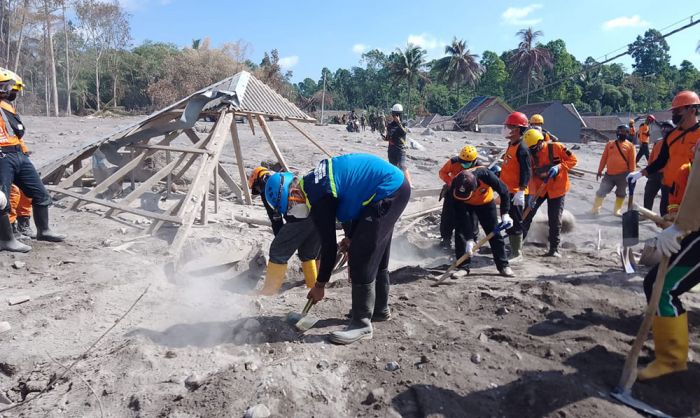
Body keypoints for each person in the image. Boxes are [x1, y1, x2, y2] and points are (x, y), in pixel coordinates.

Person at [266, 153, 410, 345]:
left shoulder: (319, 197)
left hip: (387, 190)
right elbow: (352, 201)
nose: (291, 212)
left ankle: (361, 324)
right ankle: (379, 310)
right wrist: (350, 237)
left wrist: (319, 286)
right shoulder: (311, 184)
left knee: (361, 255)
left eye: (289, 208)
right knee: (376, 251)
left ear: (292, 197)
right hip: (389, 187)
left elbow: (328, 247)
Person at [638, 143, 699, 381]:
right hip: (692, 228)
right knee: (655, 284)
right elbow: (687, 196)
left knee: (660, 287)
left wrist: (680, 228)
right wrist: (674, 220)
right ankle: (670, 353)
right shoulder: (686, 168)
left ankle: (672, 359)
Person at [0, 67, 63, 252]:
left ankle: (44, 230)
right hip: (2, 156)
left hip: (18, 154)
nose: (12, 91)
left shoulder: (7, 106)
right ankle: (6, 240)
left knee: (40, 193)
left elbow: (18, 132)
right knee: (3, 200)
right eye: (9, 87)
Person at [248, 166, 320, 295]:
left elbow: (276, 220)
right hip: (316, 214)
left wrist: (281, 240)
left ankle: (268, 292)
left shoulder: (268, 189)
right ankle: (312, 286)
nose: (259, 192)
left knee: (277, 251)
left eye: (257, 188)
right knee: (307, 253)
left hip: (299, 217)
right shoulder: (285, 178)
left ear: (259, 181)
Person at [628, 90, 700, 216]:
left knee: (687, 230)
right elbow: (661, 160)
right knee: (665, 222)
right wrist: (640, 173)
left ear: (692, 110)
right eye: (673, 111)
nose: (674, 114)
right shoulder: (671, 135)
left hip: (691, 193)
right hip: (668, 190)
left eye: (678, 111)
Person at [521, 128, 578, 257]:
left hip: (557, 189)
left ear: (541, 142)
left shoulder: (557, 147)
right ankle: (517, 244)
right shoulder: (529, 155)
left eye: (534, 148)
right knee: (527, 214)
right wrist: (530, 195)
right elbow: (530, 176)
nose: (532, 151)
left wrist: (559, 167)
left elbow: (573, 160)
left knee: (554, 219)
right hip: (540, 188)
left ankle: (554, 249)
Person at [451, 167, 515, 277]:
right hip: (466, 206)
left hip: (486, 203)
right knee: (460, 233)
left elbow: (504, 191)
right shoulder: (456, 184)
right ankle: (463, 267)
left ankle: (503, 265)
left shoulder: (486, 175)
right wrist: (470, 239)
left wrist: (505, 214)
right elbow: (461, 215)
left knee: (494, 233)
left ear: (474, 188)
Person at [501, 112, 532, 261]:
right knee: (509, 222)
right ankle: (513, 250)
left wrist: (521, 190)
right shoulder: (511, 145)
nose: (506, 128)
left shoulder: (522, 149)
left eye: (509, 126)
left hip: (516, 193)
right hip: (507, 191)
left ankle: (517, 254)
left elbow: (527, 171)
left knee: (516, 222)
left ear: (518, 129)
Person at [438, 145, 479, 250]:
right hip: (453, 192)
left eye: (467, 162)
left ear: (474, 160)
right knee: (448, 216)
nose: (464, 164)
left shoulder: (479, 167)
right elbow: (442, 172)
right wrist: (451, 182)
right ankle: (445, 239)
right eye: (462, 161)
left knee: (472, 217)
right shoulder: (453, 162)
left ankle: (473, 239)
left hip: (470, 195)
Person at [591, 124, 636, 216]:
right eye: (620, 131)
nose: (621, 133)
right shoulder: (610, 144)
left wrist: (632, 175)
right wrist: (600, 170)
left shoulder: (630, 146)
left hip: (623, 175)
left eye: (624, 131)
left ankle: (617, 210)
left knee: (621, 193)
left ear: (627, 133)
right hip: (609, 175)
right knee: (601, 191)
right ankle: (595, 209)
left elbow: (632, 161)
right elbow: (604, 158)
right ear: (617, 132)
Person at [643, 121, 674, 212]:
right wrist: (648, 170)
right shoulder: (658, 142)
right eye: (663, 128)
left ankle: (666, 217)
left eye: (668, 128)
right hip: (654, 173)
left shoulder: (676, 144)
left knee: (666, 197)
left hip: (667, 174)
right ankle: (646, 213)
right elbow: (652, 157)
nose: (665, 130)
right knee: (648, 193)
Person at [384, 103, 412, 187]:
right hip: (391, 149)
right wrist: (385, 138)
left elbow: (404, 132)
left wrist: (399, 123)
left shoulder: (404, 124)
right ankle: (396, 184)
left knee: (402, 166)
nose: (395, 116)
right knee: (393, 167)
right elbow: (388, 136)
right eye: (394, 114)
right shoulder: (390, 125)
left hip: (400, 150)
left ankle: (409, 184)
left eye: (397, 114)